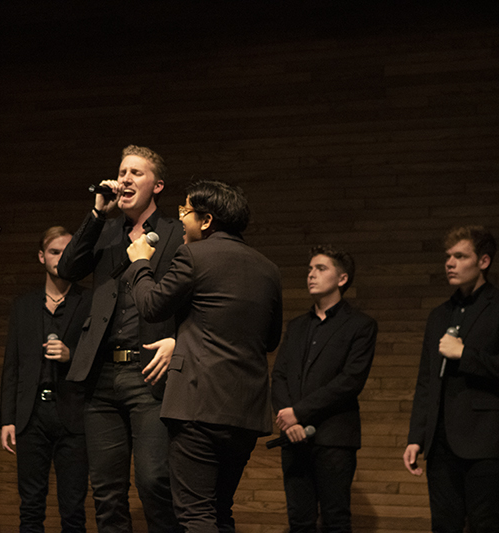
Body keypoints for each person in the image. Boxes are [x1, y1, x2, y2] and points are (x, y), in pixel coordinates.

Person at [125, 180, 283, 533]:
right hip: (245, 409)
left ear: (206, 220)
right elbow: (270, 340)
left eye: (185, 211)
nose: (181, 219)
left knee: (195, 514)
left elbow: (151, 306)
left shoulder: (193, 256)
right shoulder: (268, 268)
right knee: (220, 511)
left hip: (198, 404)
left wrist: (139, 265)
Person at [57, 145, 183, 533]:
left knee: (153, 481)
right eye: (122, 172)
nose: (125, 179)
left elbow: (196, 297)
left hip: (150, 375)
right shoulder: (106, 230)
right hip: (102, 377)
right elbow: (67, 268)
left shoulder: (176, 233)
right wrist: (97, 213)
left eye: (136, 173)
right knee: (107, 493)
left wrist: (179, 342)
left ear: (157, 185)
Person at [271, 245, 377, 533]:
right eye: (309, 269)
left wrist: (299, 413)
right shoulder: (296, 326)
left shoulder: (360, 325)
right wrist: (287, 417)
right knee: (299, 520)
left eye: (320, 269)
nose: (311, 275)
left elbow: (349, 382)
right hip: (293, 438)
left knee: (335, 519)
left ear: (342, 279)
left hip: (334, 438)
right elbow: (279, 376)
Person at [403, 225, 499, 533]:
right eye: (448, 256)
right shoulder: (439, 315)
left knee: (485, 524)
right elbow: (426, 381)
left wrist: (465, 354)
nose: (450, 263)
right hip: (441, 442)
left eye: (460, 256)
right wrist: (417, 436)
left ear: (483, 261)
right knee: (444, 524)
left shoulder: (497, 308)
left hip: (486, 441)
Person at [0, 226, 92, 533]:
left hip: (74, 414)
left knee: (73, 509)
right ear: (41, 257)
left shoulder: (89, 301)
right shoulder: (24, 306)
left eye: (68, 252)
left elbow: (100, 357)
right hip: (31, 415)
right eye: (54, 252)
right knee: (30, 507)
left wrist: (71, 355)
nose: (61, 258)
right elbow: (12, 365)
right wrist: (7, 419)